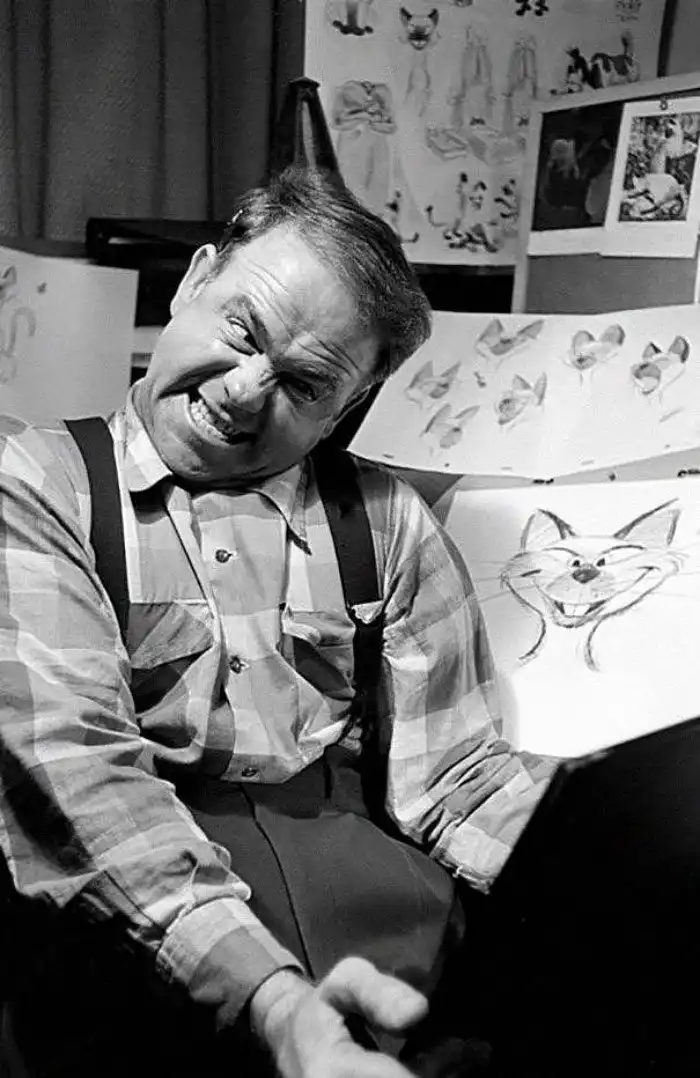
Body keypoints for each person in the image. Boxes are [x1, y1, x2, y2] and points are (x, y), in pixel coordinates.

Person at [0, 166, 553, 1078]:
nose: (244, 392)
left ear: (347, 409)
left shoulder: (388, 522)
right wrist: (279, 1006)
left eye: (304, 383)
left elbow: (457, 779)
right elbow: (77, 776)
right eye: (242, 331)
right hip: (147, 971)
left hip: (396, 963)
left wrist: (614, 855)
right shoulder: (38, 484)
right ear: (194, 280)